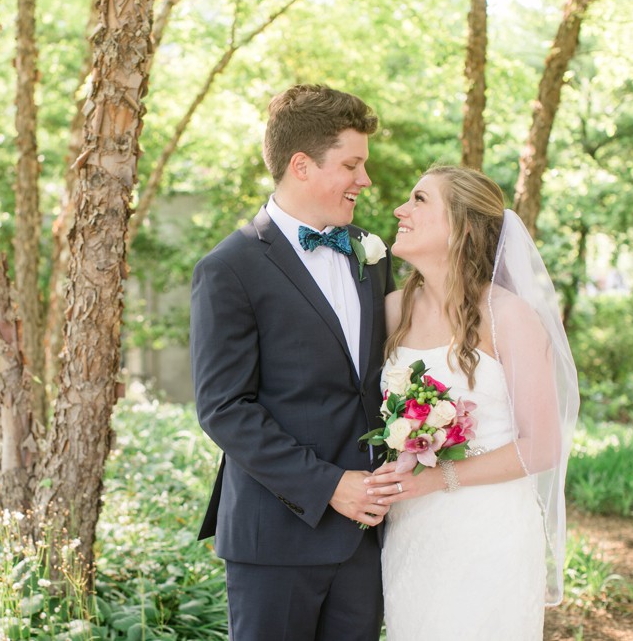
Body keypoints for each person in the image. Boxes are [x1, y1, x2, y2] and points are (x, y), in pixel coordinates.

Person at [190, 84, 395, 641]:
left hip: (366, 536)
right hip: (276, 534)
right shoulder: (228, 268)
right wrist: (330, 485)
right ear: (301, 165)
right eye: (351, 164)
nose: (365, 180)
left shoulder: (370, 254)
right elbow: (224, 409)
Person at [364, 165, 579, 639]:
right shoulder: (392, 310)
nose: (400, 209)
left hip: (489, 531)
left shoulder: (509, 316)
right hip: (413, 531)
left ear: (461, 225)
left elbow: (541, 446)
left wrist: (439, 478)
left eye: (419, 200)